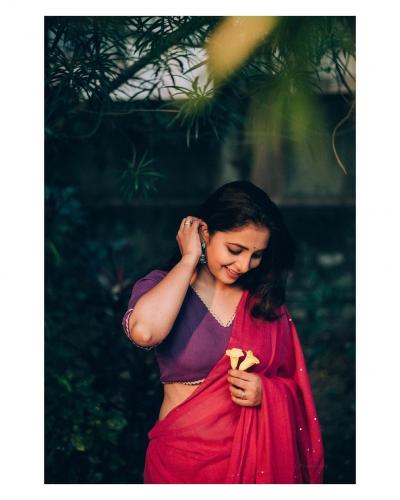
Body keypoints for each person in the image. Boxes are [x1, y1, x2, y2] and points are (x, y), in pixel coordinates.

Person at [122, 181, 324, 484]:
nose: (244, 265)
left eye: (256, 255)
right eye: (235, 250)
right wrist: (189, 259)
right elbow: (145, 333)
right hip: (180, 463)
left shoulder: (264, 305)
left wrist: (266, 392)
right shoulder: (163, 285)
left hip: (253, 462)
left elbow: (294, 386)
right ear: (205, 233)